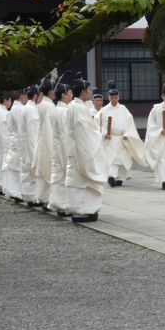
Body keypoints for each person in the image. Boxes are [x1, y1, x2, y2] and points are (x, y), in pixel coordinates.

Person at [65, 75, 107, 222]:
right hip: (81, 148)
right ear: (83, 92)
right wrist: (98, 137)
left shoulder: (73, 106)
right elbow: (85, 133)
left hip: (75, 147)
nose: (90, 91)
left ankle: (86, 209)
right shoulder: (79, 108)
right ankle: (86, 210)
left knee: (79, 180)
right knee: (84, 180)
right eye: (89, 89)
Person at [97, 81, 145, 187]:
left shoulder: (123, 109)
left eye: (116, 97)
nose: (114, 99)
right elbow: (99, 124)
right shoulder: (104, 110)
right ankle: (111, 176)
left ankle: (120, 178)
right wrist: (105, 133)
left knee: (122, 159)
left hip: (122, 138)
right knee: (112, 159)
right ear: (108, 97)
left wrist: (128, 134)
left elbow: (130, 122)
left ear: (118, 97)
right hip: (110, 138)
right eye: (112, 97)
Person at [48, 83, 73, 216]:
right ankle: (63, 205)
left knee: (57, 175)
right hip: (63, 146)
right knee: (63, 175)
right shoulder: (65, 111)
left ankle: (57, 204)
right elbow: (65, 134)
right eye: (69, 93)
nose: (71, 95)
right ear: (63, 95)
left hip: (56, 146)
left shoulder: (56, 109)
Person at [32, 79, 56, 209]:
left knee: (42, 171)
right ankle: (46, 199)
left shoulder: (41, 105)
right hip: (47, 140)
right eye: (53, 90)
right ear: (50, 91)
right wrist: (51, 145)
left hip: (41, 141)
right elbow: (48, 128)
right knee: (47, 170)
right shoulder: (49, 106)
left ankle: (40, 197)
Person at [3, 89, 26, 201]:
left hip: (13, 140)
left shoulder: (13, 108)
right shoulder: (20, 109)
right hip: (18, 140)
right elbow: (22, 128)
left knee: (14, 167)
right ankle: (17, 192)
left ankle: (13, 191)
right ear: (21, 95)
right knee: (18, 168)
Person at [20, 85, 40, 205]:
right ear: (36, 96)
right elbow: (33, 133)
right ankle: (32, 197)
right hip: (30, 144)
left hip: (24, 144)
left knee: (26, 173)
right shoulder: (31, 109)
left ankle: (28, 196)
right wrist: (34, 154)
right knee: (31, 173)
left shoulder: (24, 108)